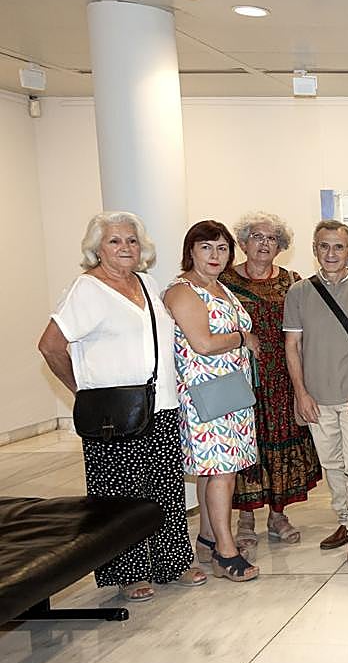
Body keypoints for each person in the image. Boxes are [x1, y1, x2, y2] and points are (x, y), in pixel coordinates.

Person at [38, 211, 206, 601]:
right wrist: (83, 391)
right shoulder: (87, 289)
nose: (125, 248)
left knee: (165, 490)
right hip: (114, 414)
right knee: (120, 494)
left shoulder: (147, 284)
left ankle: (172, 562)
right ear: (97, 248)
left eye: (131, 240)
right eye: (115, 241)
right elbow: (50, 345)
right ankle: (128, 571)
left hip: (160, 406)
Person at [283, 220, 348, 568]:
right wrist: (301, 393)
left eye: (338, 247)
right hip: (316, 396)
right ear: (314, 250)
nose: (331, 253)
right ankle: (345, 518)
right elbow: (292, 346)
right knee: (332, 464)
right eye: (324, 246)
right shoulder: (298, 293)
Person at [164, 220, 261, 583]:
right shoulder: (183, 291)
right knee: (221, 471)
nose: (215, 255)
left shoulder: (221, 288)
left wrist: (242, 339)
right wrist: (241, 338)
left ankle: (207, 537)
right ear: (191, 250)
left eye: (222, 248)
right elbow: (202, 343)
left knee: (216, 471)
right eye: (206, 247)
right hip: (204, 394)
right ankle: (225, 551)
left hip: (230, 392)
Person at [221, 211, 322, 549]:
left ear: (281, 246)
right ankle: (246, 518)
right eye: (257, 237)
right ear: (244, 242)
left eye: (272, 239)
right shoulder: (224, 282)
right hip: (242, 378)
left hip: (283, 376)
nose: (264, 244)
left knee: (280, 443)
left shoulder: (292, 282)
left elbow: (308, 331)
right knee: (246, 447)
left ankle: (278, 515)